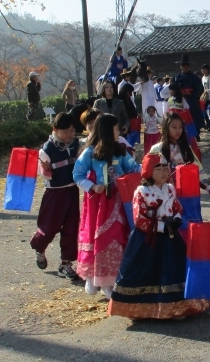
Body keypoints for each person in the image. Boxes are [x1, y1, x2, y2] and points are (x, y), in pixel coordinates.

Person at [107, 152, 210, 320]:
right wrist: (162, 226)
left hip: (170, 238)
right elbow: (139, 219)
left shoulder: (169, 189)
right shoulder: (142, 191)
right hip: (147, 240)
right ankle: (138, 308)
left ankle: (176, 307)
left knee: (173, 270)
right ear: (148, 171)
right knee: (145, 271)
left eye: (165, 168)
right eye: (158, 169)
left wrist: (175, 220)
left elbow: (177, 208)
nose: (164, 172)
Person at [73, 114, 140, 299]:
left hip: (119, 202)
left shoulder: (120, 151)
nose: (119, 131)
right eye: (117, 128)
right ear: (107, 130)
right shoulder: (90, 152)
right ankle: (93, 277)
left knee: (117, 237)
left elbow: (134, 168)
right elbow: (77, 174)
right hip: (98, 204)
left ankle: (111, 279)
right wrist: (93, 186)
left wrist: (153, 168)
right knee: (98, 237)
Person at [31, 112, 81, 281]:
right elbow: (45, 176)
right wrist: (45, 168)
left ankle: (65, 264)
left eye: (72, 131)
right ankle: (39, 247)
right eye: (65, 131)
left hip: (72, 190)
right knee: (49, 227)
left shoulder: (75, 144)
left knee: (71, 228)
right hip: (55, 193)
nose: (69, 135)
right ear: (55, 130)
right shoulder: (46, 149)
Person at [173, 54, 205, 140]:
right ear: (181, 67)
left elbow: (199, 87)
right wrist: (179, 93)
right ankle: (183, 134)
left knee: (194, 117)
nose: (185, 69)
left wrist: (192, 93)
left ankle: (196, 133)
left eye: (186, 67)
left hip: (192, 99)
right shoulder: (177, 77)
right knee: (182, 118)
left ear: (189, 67)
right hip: (181, 100)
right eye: (183, 67)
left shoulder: (194, 77)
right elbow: (174, 88)